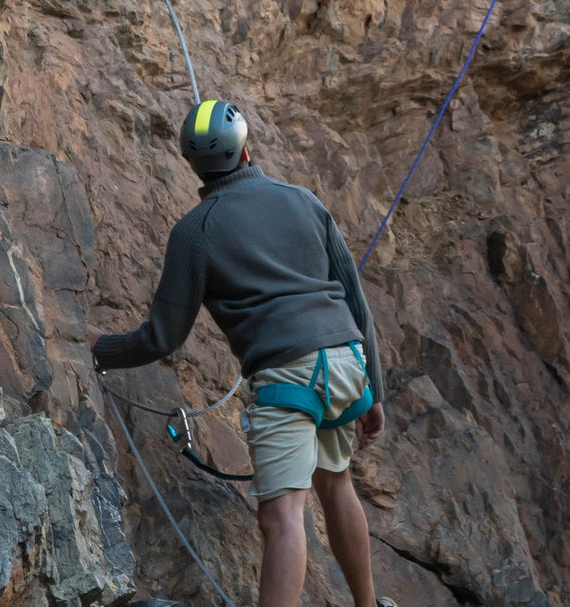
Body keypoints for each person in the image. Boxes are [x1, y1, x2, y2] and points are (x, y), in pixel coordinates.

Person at [94, 100, 393, 607]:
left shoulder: (194, 233)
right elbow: (355, 298)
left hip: (287, 376)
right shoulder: (302, 199)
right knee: (337, 482)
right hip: (347, 363)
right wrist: (375, 392)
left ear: (191, 165)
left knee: (282, 518)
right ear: (247, 148)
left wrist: (99, 351)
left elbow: (162, 337)